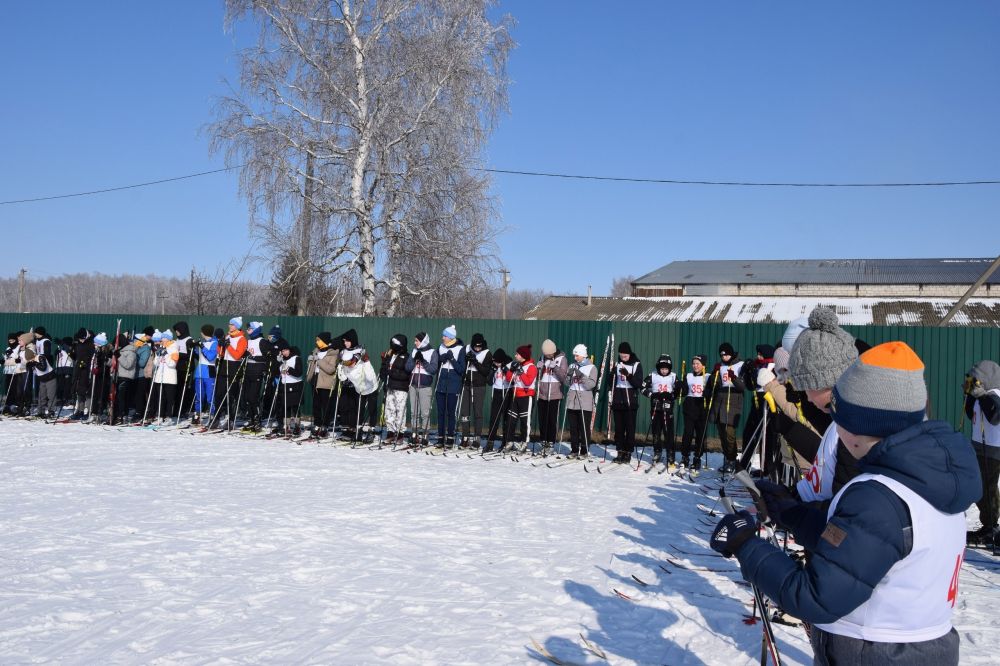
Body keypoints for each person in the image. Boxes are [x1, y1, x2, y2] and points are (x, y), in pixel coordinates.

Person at [711, 341, 981, 666]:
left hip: (876, 651)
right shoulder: (927, 477)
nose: (834, 428)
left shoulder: (878, 496)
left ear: (862, 423)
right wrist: (791, 513)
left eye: (837, 416)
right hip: (920, 646)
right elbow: (864, 545)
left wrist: (746, 546)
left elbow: (815, 597)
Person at [964, 359, 1000, 546]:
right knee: (981, 487)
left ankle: (991, 525)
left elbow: (994, 416)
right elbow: (972, 414)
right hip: (979, 446)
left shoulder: (995, 394)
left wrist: (981, 395)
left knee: (988, 487)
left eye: (976, 380)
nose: (974, 382)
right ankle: (989, 524)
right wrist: (970, 395)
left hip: (993, 449)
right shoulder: (982, 396)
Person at [707, 342, 746, 473]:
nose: (724, 358)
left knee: (729, 434)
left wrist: (733, 378)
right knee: (722, 433)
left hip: (733, 401)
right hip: (720, 401)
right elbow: (715, 385)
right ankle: (727, 458)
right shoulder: (721, 366)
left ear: (731, 353)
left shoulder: (740, 365)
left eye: (726, 355)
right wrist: (714, 373)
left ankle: (733, 459)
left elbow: (742, 387)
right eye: (722, 356)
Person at [641, 354, 677, 465]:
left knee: (668, 432)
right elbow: (642, 387)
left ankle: (670, 453)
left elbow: (679, 390)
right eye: (662, 368)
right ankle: (657, 451)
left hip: (667, 408)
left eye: (666, 369)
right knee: (656, 432)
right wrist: (652, 394)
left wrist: (672, 395)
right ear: (658, 368)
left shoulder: (673, 376)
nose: (664, 371)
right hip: (656, 408)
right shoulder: (653, 375)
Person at [610, 341, 642, 464]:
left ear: (629, 354)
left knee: (629, 428)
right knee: (619, 429)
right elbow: (611, 383)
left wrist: (628, 375)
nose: (623, 357)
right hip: (618, 400)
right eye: (621, 355)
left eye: (625, 355)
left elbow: (638, 383)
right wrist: (611, 376)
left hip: (630, 401)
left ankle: (628, 452)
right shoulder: (617, 364)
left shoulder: (636, 365)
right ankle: (620, 451)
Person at [213, 317, 248, 429]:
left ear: (237, 326)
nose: (229, 326)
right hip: (224, 365)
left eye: (232, 324)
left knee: (232, 395)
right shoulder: (227, 336)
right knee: (219, 394)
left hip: (234, 367)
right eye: (229, 324)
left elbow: (237, 355)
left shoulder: (242, 339)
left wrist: (228, 345)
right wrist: (220, 344)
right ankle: (216, 418)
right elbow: (221, 353)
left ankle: (231, 419)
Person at [564, 344, 597, 458]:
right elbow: (567, 383)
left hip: (584, 401)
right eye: (574, 355)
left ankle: (584, 450)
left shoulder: (592, 367)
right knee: (573, 427)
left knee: (583, 427)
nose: (575, 358)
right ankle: (574, 449)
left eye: (577, 355)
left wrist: (581, 376)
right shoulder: (572, 365)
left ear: (583, 355)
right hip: (572, 399)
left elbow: (591, 385)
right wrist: (568, 376)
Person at [406, 332, 438, 446]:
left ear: (423, 341)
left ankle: (425, 434)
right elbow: (408, 367)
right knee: (414, 412)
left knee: (425, 412)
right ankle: (414, 434)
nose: (415, 343)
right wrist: (415, 360)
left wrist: (423, 361)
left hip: (425, 386)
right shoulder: (414, 351)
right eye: (414, 341)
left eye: (417, 341)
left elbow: (433, 369)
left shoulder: (432, 352)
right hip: (413, 385)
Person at [436, 325, 466, 447]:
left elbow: (461, 369)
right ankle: (440, 437)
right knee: (441, 413)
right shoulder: (440, 347)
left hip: (453, 384)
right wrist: (441, 359)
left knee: (451, 412)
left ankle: (450, 437)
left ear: (450, 337)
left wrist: (452, 359)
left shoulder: (460, 349)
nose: (442, 338)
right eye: (443, 335)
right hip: (441, 384)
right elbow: (436, 364)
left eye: (445, 336)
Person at [535, 339, 568, 450]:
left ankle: (551, 441)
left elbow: (564, 378)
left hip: (554, 393)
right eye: (545, 354)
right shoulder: (542, 358)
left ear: (553, 351)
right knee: (542, 418)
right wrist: (538, 368)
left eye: (549, 354)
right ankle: (543, 439)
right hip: (542, 393)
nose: (547, 356)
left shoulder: (562, 359)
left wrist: (555, 368)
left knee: (552, 419)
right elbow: (538, 377)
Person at [678, 354, 709, 473]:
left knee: (700, 434)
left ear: (703, 365)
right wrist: (681, 386)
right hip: (690, 406)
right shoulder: (688, 376)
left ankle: (697, 457)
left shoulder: (708, 376)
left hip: (701, 406)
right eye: (694, 363)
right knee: (688, 433)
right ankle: (685, 456)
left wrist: (709, 391)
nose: (695, 366)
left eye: (698, 364)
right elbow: (685, 391)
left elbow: (712, 391)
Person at [503, 345, 537, 450]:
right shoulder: (518, 365)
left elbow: (527, 382)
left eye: (517, 354)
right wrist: (511, 369)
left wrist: (521, 372)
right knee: (511, 420)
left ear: (523, 356)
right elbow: (509, 379)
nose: (515, 355)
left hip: (526, 396)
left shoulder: (531, 367)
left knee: (524, 421)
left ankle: (524, 442)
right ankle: (509, 441)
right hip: (515, 395)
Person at [461, 333, 492, 446]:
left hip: (479, 385)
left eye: (479, 346)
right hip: (467, 384)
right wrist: (467, 360)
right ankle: (465, 436)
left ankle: (477, 437)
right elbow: (462, 365)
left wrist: (475, 362)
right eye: (476, 347)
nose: (477, 349)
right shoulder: (467, 349)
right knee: (465, 411)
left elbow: (485, 371)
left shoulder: (486, 353)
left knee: (477, 412)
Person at [379, 334, 411, 445]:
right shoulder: (390, 355)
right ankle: (390, 433)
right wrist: (384, 361)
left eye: (395, 344)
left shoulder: (406, 357)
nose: (392, 346)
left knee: (400, 410)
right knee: (389, 410)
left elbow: (406, 375)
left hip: (401, 388)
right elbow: (383, 373)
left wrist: (391, 372)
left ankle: (400, 434)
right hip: (390, 387)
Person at [307, 331, 339, 439]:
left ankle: (325, 426)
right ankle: (317, 424)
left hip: (325, 382)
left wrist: (319, 361)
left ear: (324, 341)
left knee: (326, 406)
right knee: (316, 405)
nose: (317, 342)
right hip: (315, 380)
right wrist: (310, 361)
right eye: (316, 340)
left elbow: (331, 369)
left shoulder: (333, 353)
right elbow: (313, 365)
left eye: (318, 340)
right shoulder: (316, 351)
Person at [240, 321, 268, 431]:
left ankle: (257, 420)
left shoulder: (262, 342)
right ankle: (251, 420)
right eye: (247, 329)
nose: (248, 331)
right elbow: (246, 354)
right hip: (248, 370)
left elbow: (267, 358)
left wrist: (254, 357)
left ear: (256, 330)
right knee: (246, 397)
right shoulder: (249, 341)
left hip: (257, 370)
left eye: (250, 329)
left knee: (253, 397)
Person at [272, 339, 304, 437]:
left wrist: (289, 369)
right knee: (285, 406)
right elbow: (277, 372)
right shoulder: (282, 360)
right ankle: (287, 425)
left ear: (289, 350)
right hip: (284, 385)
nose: (284, 353)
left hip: (295, 385)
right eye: (282, 351)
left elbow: (299, 372)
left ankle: (297, 426)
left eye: (285, 350)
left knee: (295, 406)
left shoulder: (296, 358)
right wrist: (277, 363)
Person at [485, 348, 512, 450]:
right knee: (494, 418)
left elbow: (513, 380)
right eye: (494, 362)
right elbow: (489, 382)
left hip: (507, 391)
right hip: (496, 391)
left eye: (497, 362)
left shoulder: (509, 364)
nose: (496, 364)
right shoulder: (494, 366)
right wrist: (492, 371)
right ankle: (490, 442)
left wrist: (506, 371)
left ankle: (505, 442)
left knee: (506, 418)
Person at [150, 330, 179, 424]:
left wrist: (166, 355)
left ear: (169, 339)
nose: (162, 340)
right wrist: (158, 355)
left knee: (169, 399)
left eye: (164, 338)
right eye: (162, 338)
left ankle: (169, 417)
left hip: (169, 377)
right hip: (160, 377)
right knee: (160, 398)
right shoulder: (161, 347)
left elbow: (172, 364)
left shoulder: (174, 348)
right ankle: (160, 416)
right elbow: (155, 363)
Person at [191, 324, 218, 425]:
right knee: (199, 396)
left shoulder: (215, 343)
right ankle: (197, 415)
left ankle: (212, 416)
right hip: (200, 372)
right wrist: (194, 347)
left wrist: (202, 347)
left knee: (210, 397)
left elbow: (210, 357)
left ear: (204, 332)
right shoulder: (203, 342)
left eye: (201, 331)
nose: (200, 333)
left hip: (209, 372)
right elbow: (199, 355)